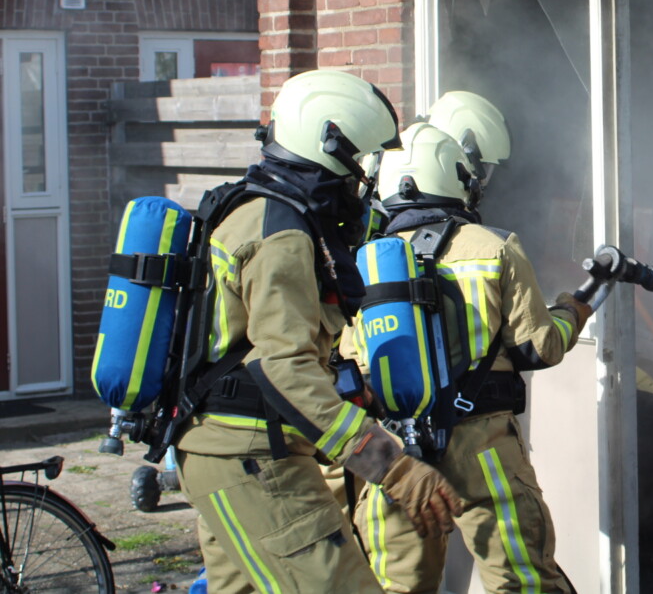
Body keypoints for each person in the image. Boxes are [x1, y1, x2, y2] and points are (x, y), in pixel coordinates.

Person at [174, 70, 462, 594]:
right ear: (330, 146)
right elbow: (281, 367)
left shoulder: (254, 208)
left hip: (220, 454)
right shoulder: (282, 233)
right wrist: (391, 467)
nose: (362, 182)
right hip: (256, 461)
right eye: (360, 163)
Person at [350, 121, 591, 594]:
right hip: (484, 449)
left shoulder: (365, 263)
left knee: (396, 585)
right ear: (457, 180)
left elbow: (352, 363)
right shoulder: (493, 246)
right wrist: (572, 311)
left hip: (397, 453)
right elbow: (539, 347)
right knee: (521, 580)